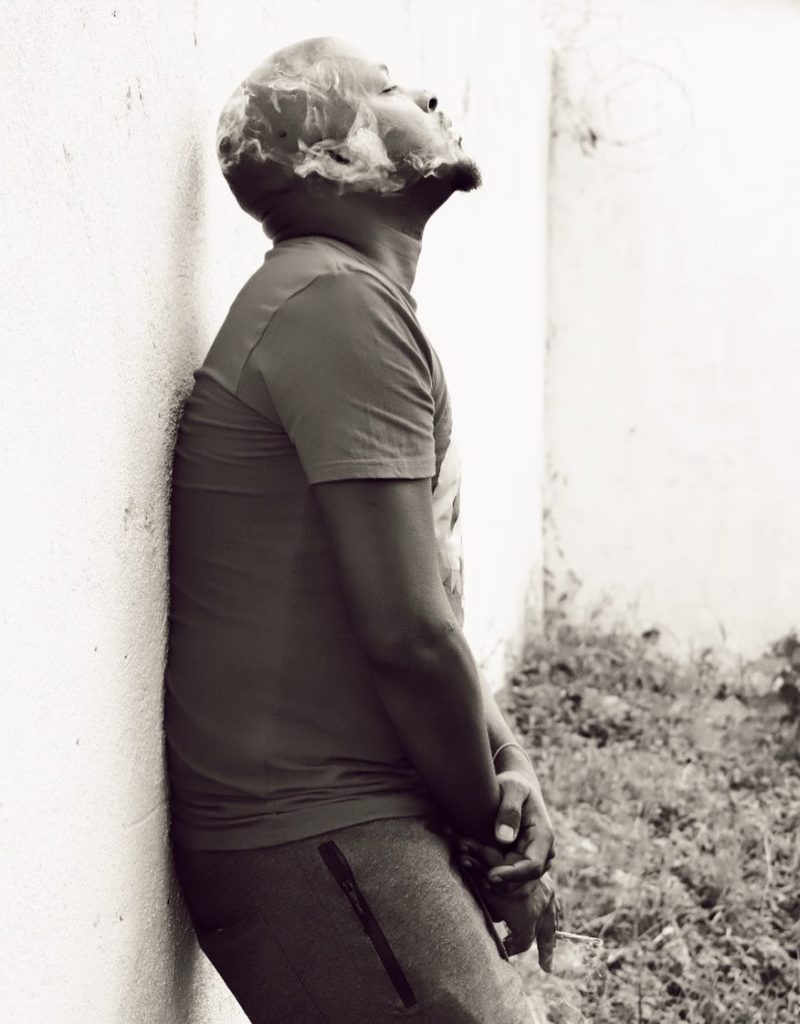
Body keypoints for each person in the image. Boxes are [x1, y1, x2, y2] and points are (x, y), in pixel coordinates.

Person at [163, 36, 557, 1024]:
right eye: (384, 88)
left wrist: (507, 759)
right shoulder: (336, 305)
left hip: (349, 820)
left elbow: (425, 611)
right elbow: (408, 639)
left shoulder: (345, 298)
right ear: (330, 155)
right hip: (316, 831)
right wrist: (497, 843)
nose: (424, 91)